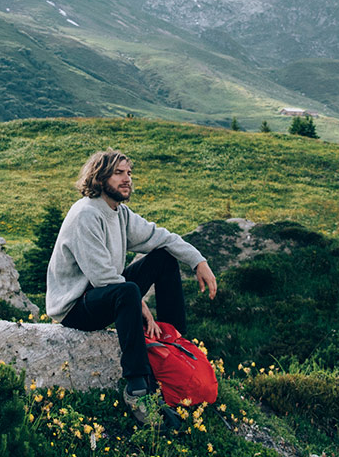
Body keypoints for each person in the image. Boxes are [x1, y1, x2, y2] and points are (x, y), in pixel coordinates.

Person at [46, 149, 218, 411]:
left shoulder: (119, 212)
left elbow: (161, 237)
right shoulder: (86, 214)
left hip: (106, 293)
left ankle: (173, 347)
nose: (127, 179)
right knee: (127, 291)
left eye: (129, 173)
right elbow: (102, 277)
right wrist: (140, 304)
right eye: (118, 173)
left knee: (164, 258)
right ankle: (137, 387)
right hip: (75, 307)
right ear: (100, 178)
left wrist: (198, 261)